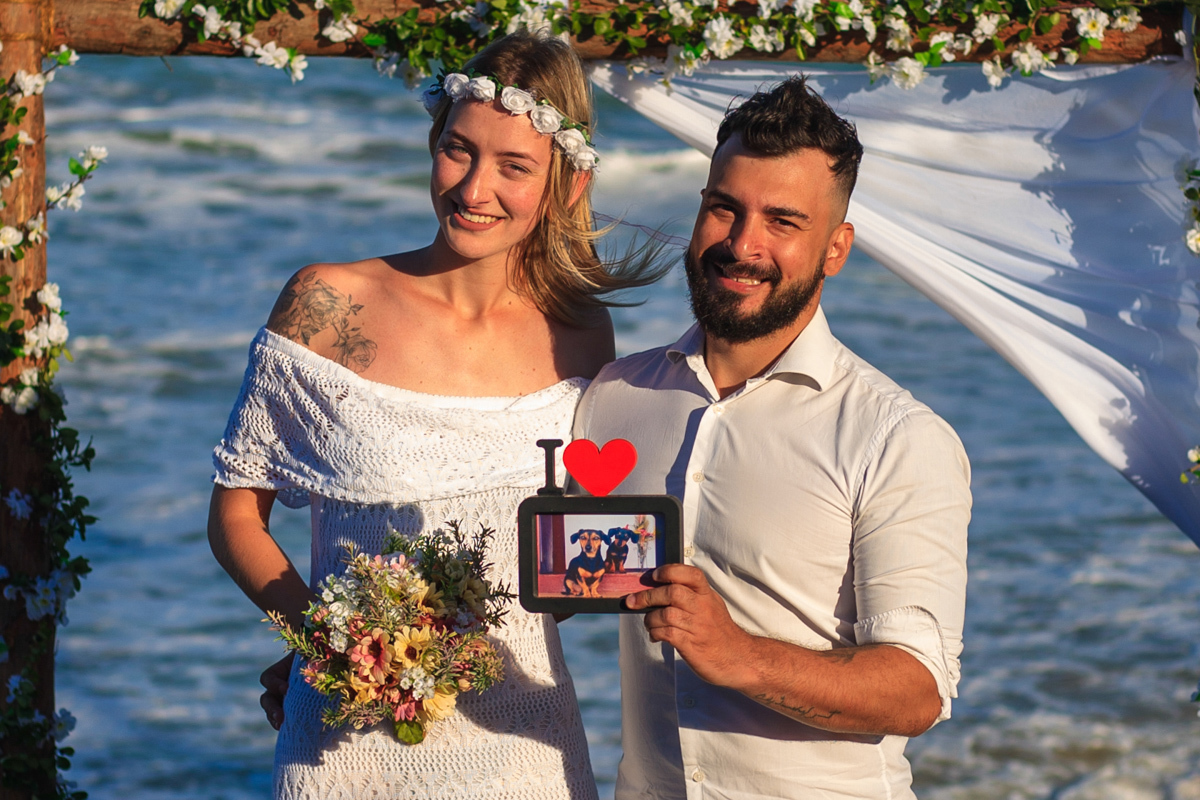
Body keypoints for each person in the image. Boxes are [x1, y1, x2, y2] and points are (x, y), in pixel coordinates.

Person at [208, 31, 661, 799]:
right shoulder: (325, 303)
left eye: (513, 166)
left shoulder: (581, 333)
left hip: (524, 748)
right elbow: (235, 516)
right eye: (459, 150)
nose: (474, 189)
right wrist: (325, 641)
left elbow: (559, 567)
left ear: (567, 184)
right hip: (343, 742)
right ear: (433, 144)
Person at [572, 77, 971, 798]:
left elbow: (917, 688)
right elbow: (555, 569)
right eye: (725, 208)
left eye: (783, 221)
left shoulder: (896, 437)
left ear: (836, 248)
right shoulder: (614, 398)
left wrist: (740, 656)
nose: (743, 244)